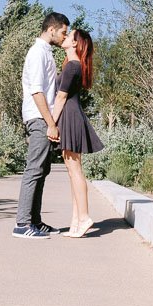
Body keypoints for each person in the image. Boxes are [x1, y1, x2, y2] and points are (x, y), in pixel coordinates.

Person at [12, 12, 70, 239]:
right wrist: (50, 123)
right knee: (34, 169)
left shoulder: (45, 53)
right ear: (52, 29)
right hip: (39, 118)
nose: (64, 37)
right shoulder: (37, 53)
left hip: (41, 118)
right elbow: (37, 91)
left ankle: (34, 221)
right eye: (63, 32)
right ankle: (22, 224)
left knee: (42, 170)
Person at [51, 29, 104, 238]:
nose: (64, 37)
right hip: (71, 116)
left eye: (69, 35)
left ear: (75, 44)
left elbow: (61, 98)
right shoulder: (72, 64)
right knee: (73, 173)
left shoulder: (73, 66)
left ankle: (84, 217)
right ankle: (76, 221)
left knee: (75, 172)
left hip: (69, 116)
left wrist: (51, 124)